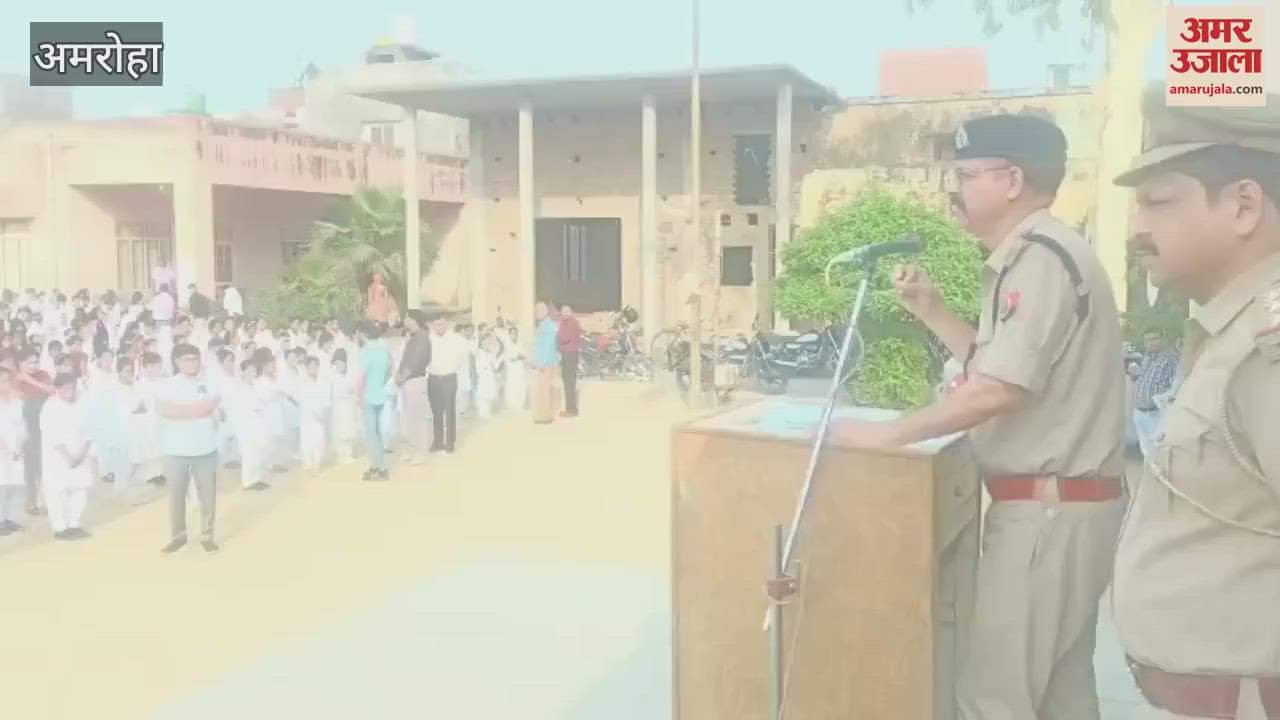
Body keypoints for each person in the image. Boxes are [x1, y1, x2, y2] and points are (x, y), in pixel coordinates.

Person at [821, 114, 1127, 720]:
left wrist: (888, 435)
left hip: (1046, 512)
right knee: (1060, 696)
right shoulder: (1036, 255)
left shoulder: (1040, 257)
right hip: (1063, 508)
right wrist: (932, 309)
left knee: (993, 699)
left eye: (964, 174)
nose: (952, 190)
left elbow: (997, 391)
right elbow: (999, 367)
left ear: (1011, 179)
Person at [1110, 90, 1280, 720]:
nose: (1137, 229)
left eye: (1158, 202)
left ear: (1242, 206)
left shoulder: (1267, 345)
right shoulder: (1226, 332)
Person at [155, 344, 221, 554]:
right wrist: (198, 410)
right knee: (176, 497)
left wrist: (184, 411)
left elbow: (211, 406)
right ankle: (178, 536)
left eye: (195, 359)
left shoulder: (209, 383)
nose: (192, 363)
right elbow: (166, 410)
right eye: (187, 359)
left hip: (205, 448)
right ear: (177, 362)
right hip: (176, 450)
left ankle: (207, 535)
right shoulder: (167, 385)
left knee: (207, 496)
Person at [41, 372, 94, 540]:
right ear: (57, 389)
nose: (70, 391)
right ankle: (60, 528)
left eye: (73, 387)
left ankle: (74, 524)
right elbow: (51, 435)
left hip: (80, 454)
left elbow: (89, 430)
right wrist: (68, 456)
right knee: (58, 492)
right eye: (66, 388)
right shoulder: (50, 407)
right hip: (58, 456)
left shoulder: (82, 404)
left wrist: (83, 453)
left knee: (80, 489)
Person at [1130, 328, 1179, 459]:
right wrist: (1135, 376)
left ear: (1163, 340)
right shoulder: (1146, 358)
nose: (1150, 343)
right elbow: (1145, 379)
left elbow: (1177, 386)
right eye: (1147, 340)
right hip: (1140, 413)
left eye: (1154, 339)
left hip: (1156, 414)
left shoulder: (1171, 360)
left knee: (1158, 453)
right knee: (1146, 453)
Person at [354, 321, 392, 480]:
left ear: (363, 334)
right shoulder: (382, 349)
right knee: (378, 433)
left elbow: (361, 376)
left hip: (368, 396)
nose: (356, 336)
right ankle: (381, 466)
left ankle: (376, 468)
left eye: (357, 333)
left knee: (371, 435)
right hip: (380, 395)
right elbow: (390, 369)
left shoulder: (365, 351)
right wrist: (381, 384)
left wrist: (358, 395)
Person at [395, 310, 433, 466]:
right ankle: (411, 449)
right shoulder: (414, 338)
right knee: (408, 418)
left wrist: (403, 375)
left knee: (417, 418)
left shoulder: (422, 338)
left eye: (407, 318)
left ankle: (420, 451)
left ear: (414, 320)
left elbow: (416, 361)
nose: (405, 321)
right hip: (407, 382)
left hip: (415, 381)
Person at [425, 315, 467, 454]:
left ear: (446, 324)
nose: (439, 327)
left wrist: (452, 368)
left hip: (449, 378)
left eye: (442, 324)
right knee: (436, 411)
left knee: (449, 411)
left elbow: (461, 357)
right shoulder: (429, 338)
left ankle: (450, 442)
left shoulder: (455, 339)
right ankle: (437, 441)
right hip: (434, 378)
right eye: (437, 325)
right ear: (433, 325)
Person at [0, 365, 27, 535]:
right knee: (1, 485)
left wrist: (20, 446)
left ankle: (10, 518)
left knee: (15, 485)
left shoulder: (17, 402)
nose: (6, 383)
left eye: (8, 380)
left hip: (17, 451)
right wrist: (6, 448)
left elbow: (23, 427)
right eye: (3, 380)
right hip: (2, 450)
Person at [297, 356, 331, 471]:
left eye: (316, 365)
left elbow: (327, 400)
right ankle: (307, 463)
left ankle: (317, 464)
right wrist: (312, 413)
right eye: (311, 366)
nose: (313, 368)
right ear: (306, 368)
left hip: (320, 416)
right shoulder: (302, 383)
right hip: (306, 416)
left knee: (319, 441)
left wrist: (323, 415)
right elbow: (301, 400)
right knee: (306, 441)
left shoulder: (323, 382)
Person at [530, 302, 559, 424]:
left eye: (538, 311)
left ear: (545, 312)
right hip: (540, 362)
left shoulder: (549, 326)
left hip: (545, 363)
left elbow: (549, 345)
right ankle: (541, 415)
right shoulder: (543, 325)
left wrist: (542, 362)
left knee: (544, 390)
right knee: (540, 390)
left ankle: (545, 416)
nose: (536, 314)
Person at [555, 305, 583, 417]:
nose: (563, 314)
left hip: (569, 353)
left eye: (565, 312)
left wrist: (557, 338)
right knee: (569, 381)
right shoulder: (571, 322)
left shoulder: (569, 323)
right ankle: (570, 408)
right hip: (570, 353)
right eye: (562, 312)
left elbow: (563, 337)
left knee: (569, 381)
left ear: (570, 312)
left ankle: (571, 409)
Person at [503, 326, 528, 413]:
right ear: (509, 334)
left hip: (520, 367)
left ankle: (520, 405)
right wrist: (517, 356)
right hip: (512, 369)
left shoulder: (520, 342)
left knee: (521, 385)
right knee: (513, 386)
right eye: (512, 333)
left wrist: (519, 356)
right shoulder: (506, 343)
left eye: (515, 333)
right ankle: (513, 406)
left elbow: (524, 354)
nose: (514, 335)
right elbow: (509, 358)